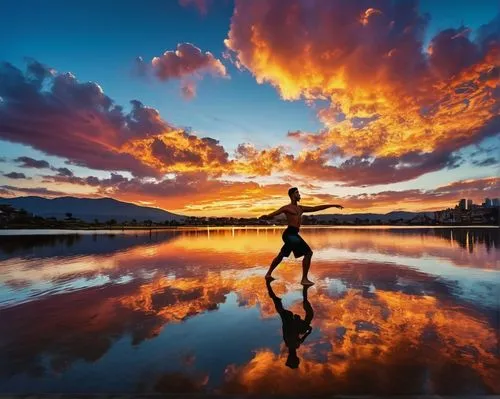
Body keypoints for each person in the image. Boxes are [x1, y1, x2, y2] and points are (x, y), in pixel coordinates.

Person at [260, 187, 343, 285]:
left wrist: (332, 205)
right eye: (297, 193)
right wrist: (264, 216)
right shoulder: (286, 208)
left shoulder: (301, 208)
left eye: (298, 192)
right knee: (308, 253)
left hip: (294, 234)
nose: (299, 195)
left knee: (282, 255)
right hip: (289, 234)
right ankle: (304, 279)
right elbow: (272, 214)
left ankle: (268, 274)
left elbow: (316, 208)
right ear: (292, 195)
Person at [266, 280, 314, 369]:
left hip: (288, 320)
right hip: (290, 321)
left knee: (277, 303)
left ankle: (268, 285)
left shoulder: (290, 343)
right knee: (309, 316)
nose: (294, 356)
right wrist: (308, 332)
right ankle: (305, 296)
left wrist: (297, 321)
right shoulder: (294, 345)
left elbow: (289, 329)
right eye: (295, 358)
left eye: (294, 358)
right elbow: (301, 339)